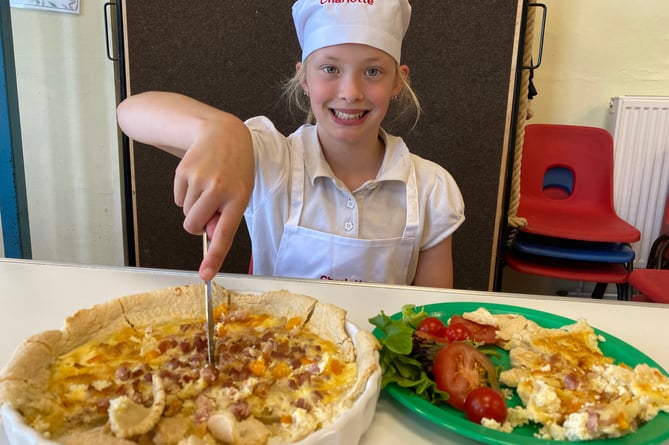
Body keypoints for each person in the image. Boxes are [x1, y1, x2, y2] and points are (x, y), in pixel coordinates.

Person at [116, 0, 465, 288]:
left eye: (372, 71)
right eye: (330, 69)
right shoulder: (268, 161)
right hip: (283, 364)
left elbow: (427, 321)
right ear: (304, 78)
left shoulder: (431, 189)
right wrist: (221, 129)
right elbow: (130, 113)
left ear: (397, 82)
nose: (350, 92)